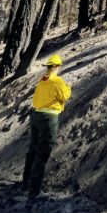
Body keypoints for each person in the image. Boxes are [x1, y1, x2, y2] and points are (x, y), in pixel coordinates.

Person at [22, 54, 71, 199]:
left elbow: (36, 100)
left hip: (36, 116)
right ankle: (34, 191)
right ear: (57, 67)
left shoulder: (42, 81)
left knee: (33, 149)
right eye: (59, 66)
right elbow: (65, 96)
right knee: (42, 152)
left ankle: (26, 183)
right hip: (49, 118)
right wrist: (68, 87)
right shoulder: (57, 81)